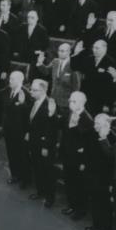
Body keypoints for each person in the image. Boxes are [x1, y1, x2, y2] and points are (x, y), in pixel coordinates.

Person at [59, 91, 94, 220]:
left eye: (73, 101)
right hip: (67, 154)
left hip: (79, 159)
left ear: (81, 103)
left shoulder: (87, 119)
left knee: (79, 186)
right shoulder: (69, 114)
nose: (70, 103)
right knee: (69, 182)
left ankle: (80, 210)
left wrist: (84, 162)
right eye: (70, 101)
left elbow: (86, 142)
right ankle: (72, 205)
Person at [25, 79, 58, 207]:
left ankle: (50, 198)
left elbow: (52, 130)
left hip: (44, 145)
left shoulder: (50, 105)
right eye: (31, 89)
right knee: (38, 168)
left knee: (47, 171)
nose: (31, 92)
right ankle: (40, 191)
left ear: (43, 90)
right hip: (34, 142)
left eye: (34, 90)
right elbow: (32, 121)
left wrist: (46, 147)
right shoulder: (35, 101)